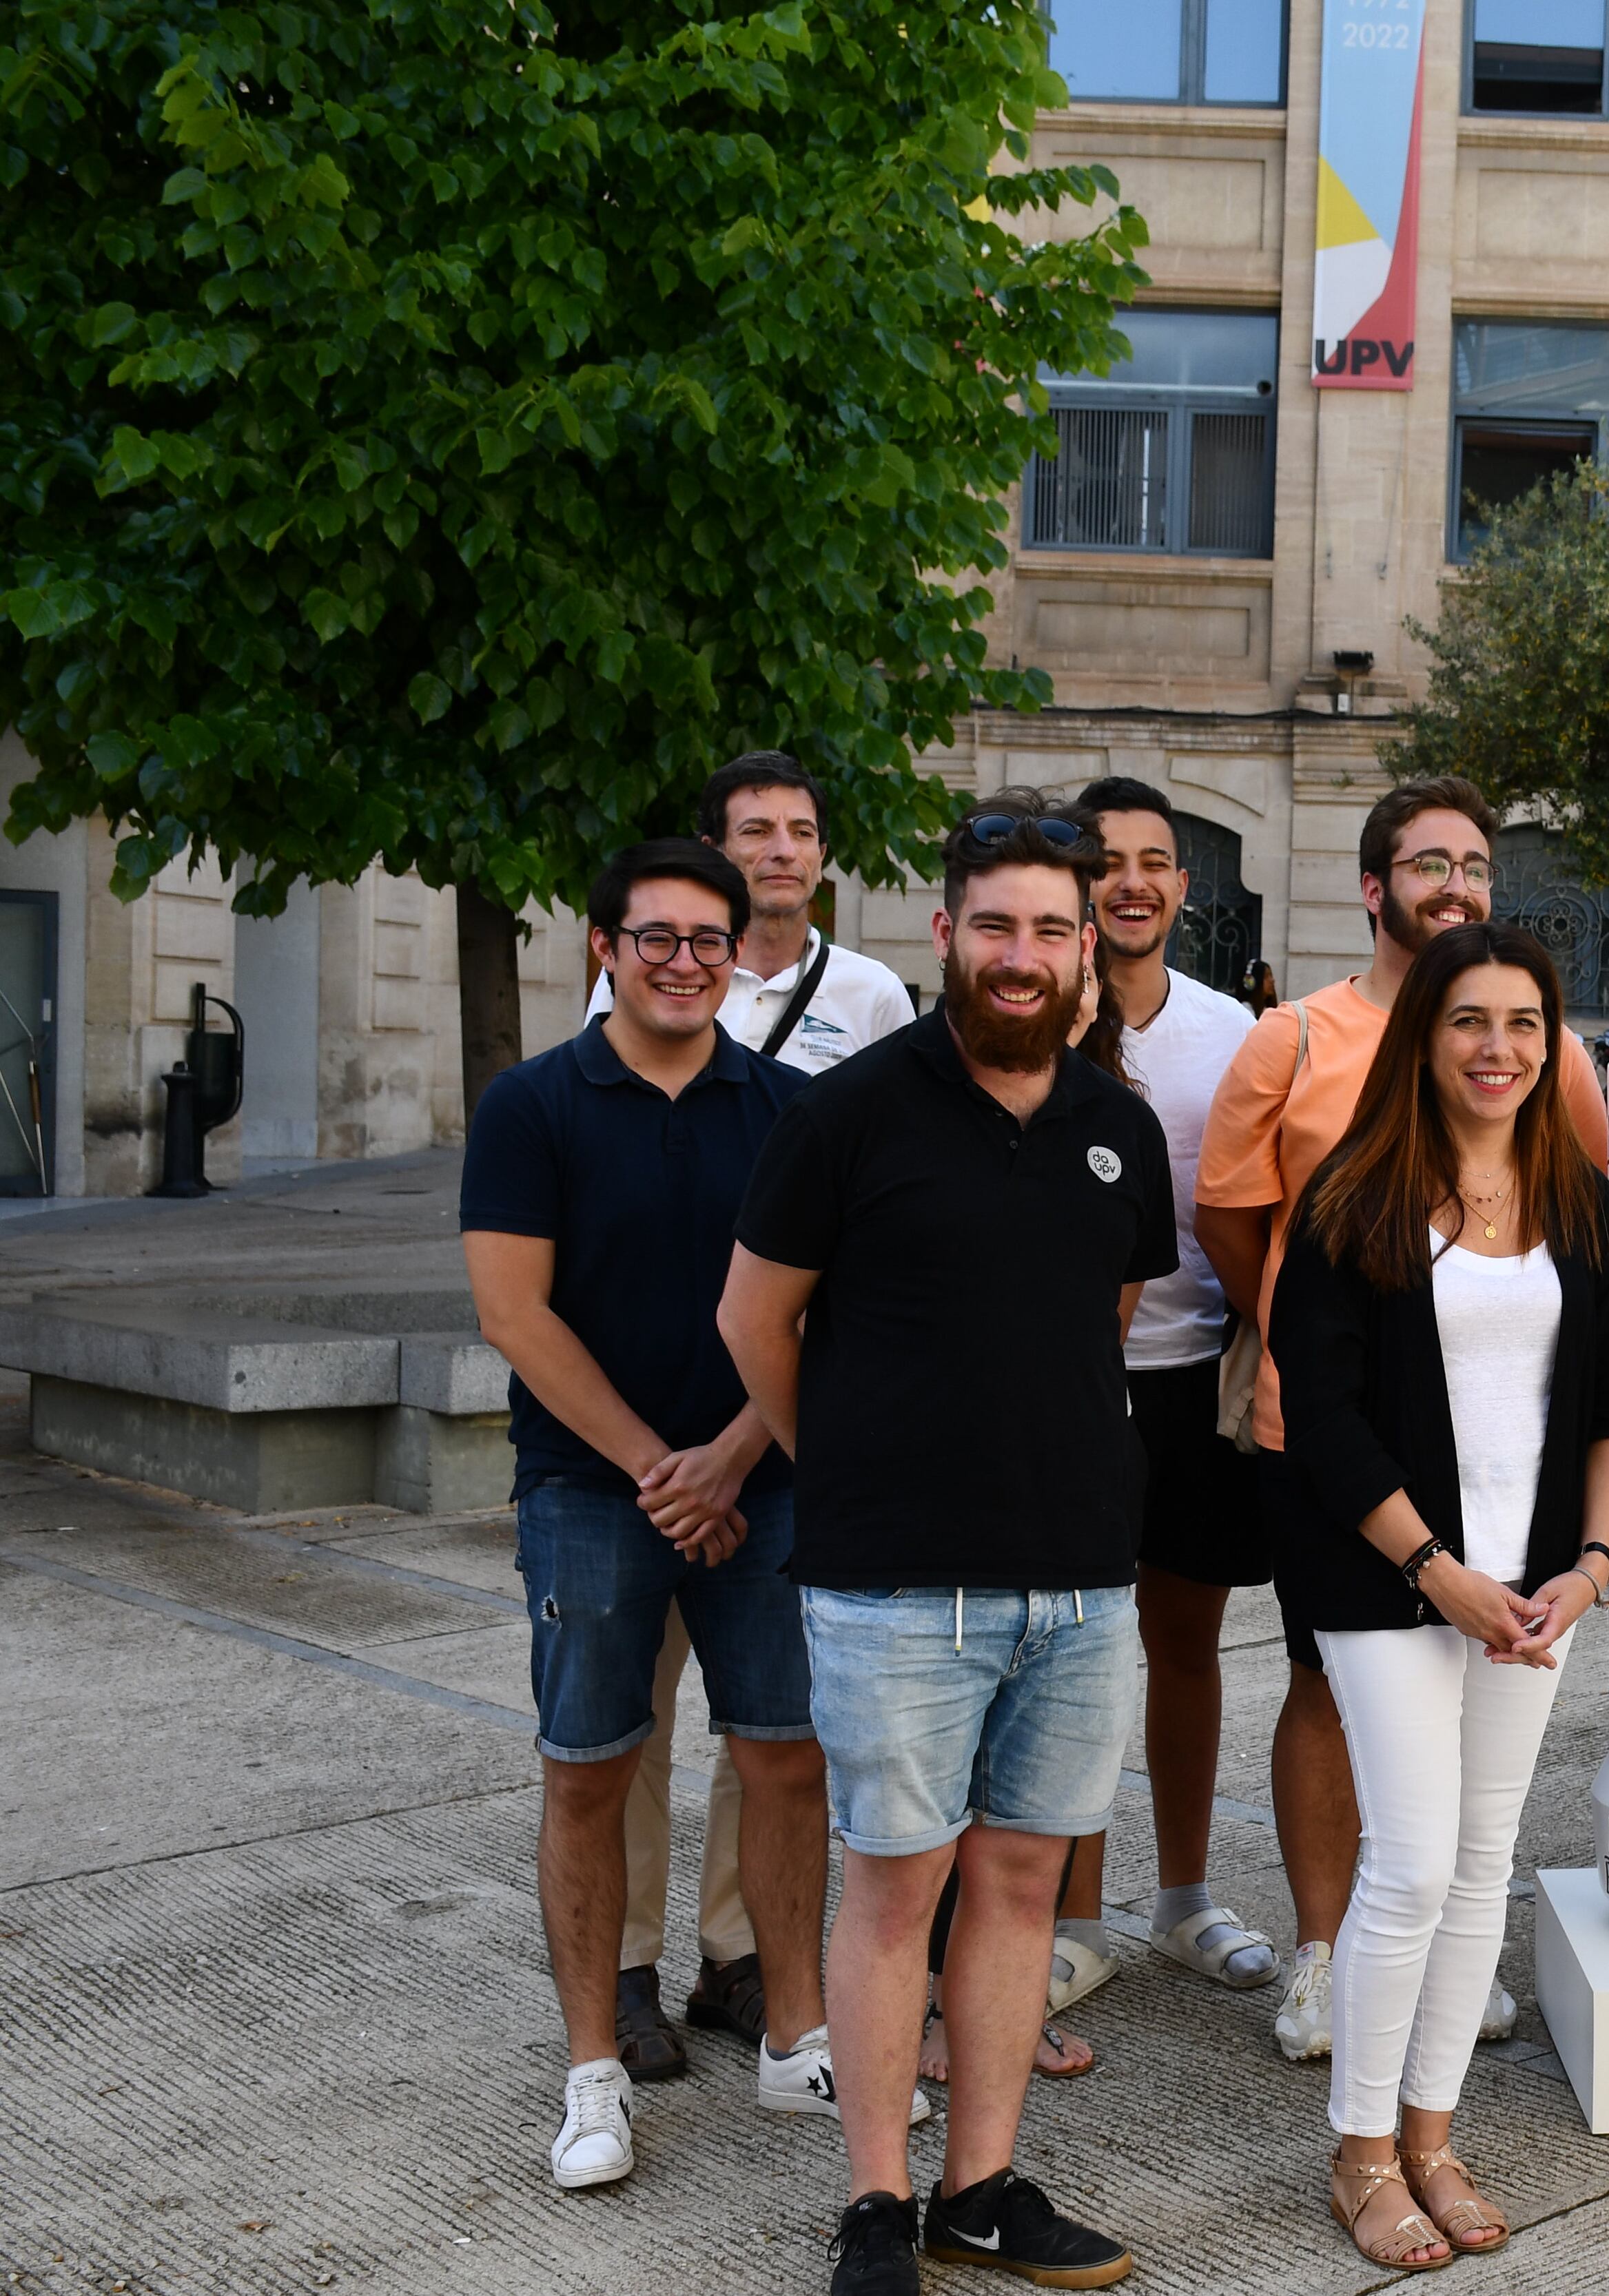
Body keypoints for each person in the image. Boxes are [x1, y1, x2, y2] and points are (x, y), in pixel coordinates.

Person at [719, 792, 1166, 2295]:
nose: (1025, 954)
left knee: (1023, 1886)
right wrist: (847, 1469)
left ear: (1083, 946)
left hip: (1080, 1585)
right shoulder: (846, 1114)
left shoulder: (1119, 1128)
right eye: (998, 926)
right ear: (945, 934)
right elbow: (752, 1322)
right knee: (895, 1888)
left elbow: (1099, 1330)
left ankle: (981, 2185)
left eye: (1054, 927)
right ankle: (871, 2200)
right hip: (896, 1585)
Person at [1194, 776, 1609, 2061]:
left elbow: (1579, 1211)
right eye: (1428, 862)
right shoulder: (1296, 1039)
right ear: (1374, 887)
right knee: (1332, 1688)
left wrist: (1587, 1552)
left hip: (1494, 1460)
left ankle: (1425, 1965)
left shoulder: (1550, 1053)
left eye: (1476, 863)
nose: (1457, 883)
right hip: (1323, 1440)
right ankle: (1329, 1955)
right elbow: (1225, 1216)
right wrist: (1301, 1324)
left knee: (1462, 1801)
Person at [461, 840, 842, 2190]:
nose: (683, 960)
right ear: (602, 948)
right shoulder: (533, 1105)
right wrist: (656, 1468)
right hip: (589, 1491)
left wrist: (731, 1456)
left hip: (764, 1479)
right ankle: (593, 2073)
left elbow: (816, 1309)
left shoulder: (794, 1109)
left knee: (788, 1756)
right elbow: (515, 1310)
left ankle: (798, 2037)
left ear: (741, 953)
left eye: (707, 939)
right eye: (655, 936)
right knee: (588, 1764)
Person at [1270, 921, 1609, 2268]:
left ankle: (1431, 2135)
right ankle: (1360, 2151)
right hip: (1387, 1582)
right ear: (1423, 1038)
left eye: (1524, 1024)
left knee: (1484, 1863)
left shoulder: (1580, 1200)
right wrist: (1438, 1571)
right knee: (1415, 1861)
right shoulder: (1349, 1198)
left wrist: (1587, 1568)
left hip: (1534, 1591)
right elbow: (1321, 1417)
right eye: (1470, 1021)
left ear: (1554, 1044)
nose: (1499, 1048)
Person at [583, 752, 916, 2080]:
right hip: (633, 1433)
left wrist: (746, 1443)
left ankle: (739, 1955)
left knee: (773, 1727)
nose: (781, 850)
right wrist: (668, 1462)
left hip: (771, 1414)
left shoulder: (876, 996)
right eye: (754, 832)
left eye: (800, 832)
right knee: (629, 1719)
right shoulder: (658, 975)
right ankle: (625, 1973)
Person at [1072, 778, 1275, 1996]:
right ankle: (1076, 1917)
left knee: (1185, 1644)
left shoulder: (1235, 1031)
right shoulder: (1038, 1018)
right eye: (1108, 859)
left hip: (1195, 1383)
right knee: (1083, 1658)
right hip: (1073, 1386)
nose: (1133, 879)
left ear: (1184, 887)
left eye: (1157, 859)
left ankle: (1184, 1894)